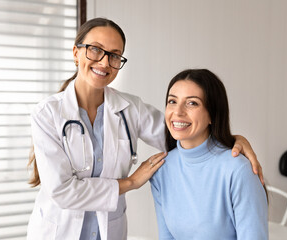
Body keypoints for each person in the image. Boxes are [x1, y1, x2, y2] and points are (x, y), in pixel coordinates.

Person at [26, 18, 263, 240]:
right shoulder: (47, 114)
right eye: (95, 49)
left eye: (114, 55)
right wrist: (130, 182)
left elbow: (181, 131)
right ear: (76, 53)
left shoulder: (130, 108)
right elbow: (62, 191)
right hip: (59, 230)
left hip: (108, 230)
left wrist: (233, 138)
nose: (104, 62)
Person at [150, 69, 268, 240]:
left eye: (192, 103)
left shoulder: (238, 170)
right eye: (172, 101)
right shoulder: (161, 170)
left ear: (212, 114)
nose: (178, 112)